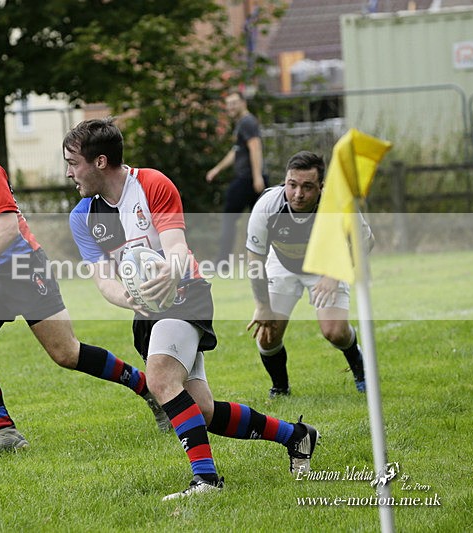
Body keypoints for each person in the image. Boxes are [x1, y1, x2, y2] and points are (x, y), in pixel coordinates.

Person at [64, 118, 318, 500]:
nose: (69, 173)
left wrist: (170, 272)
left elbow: (177, 248)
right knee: (202, 409)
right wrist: (129, 298)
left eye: (73, 163)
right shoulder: (82, 217)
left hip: (185, 293)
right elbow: (104, 281)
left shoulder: (151, 184)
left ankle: (206, 481)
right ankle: (296, 436)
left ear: (99, 162)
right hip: (146, 311)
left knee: (160, 379)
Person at [0, 103, 169, 456]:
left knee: (67, 353)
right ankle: (5, 431)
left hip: (24, 269)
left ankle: (144, 386)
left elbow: (7, 229)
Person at [246, 151, 371, 398]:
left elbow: (365, 242)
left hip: (326, 264)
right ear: (285, 180)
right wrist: (262, 306)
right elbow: (255, 259)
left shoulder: (338, 204)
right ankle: (280, 388)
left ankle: (358, 363)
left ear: (321, 187)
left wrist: (334, 275)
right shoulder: (268, 206)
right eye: (292, 185)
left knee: (335, 332)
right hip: (282, 263)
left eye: (307, 187)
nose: (298, 194)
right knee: (267, 334)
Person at [206, 90, 267, 262]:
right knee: (259, 221)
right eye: (228, 104)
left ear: (243, 103)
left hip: (248, 179)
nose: (230, 107)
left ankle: (222, 261)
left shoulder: (247, 122)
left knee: (230, 218)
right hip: (248, 178)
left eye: (234, 103)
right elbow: (236, 151)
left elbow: (255, 147)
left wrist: (257, 176)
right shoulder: (242, 123)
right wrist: (217, 169)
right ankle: (259, 259)